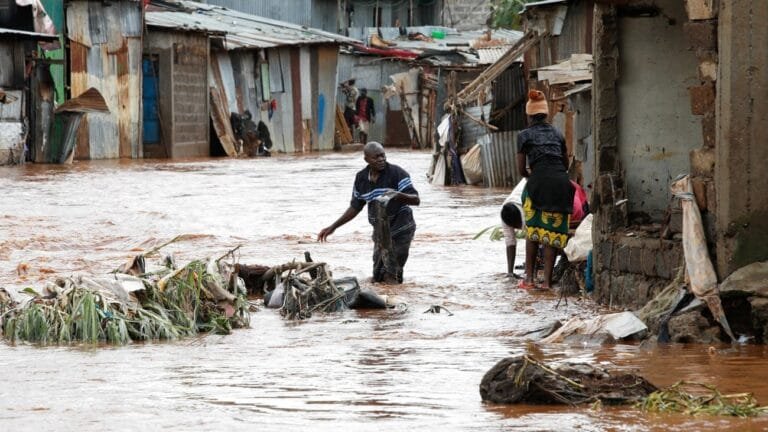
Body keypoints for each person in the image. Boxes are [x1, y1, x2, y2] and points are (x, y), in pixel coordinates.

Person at [318, 141, 420, 283]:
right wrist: (333, 227)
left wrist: (397, 194)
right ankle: (382, 299)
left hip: (401, 228)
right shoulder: (361, 178)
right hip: (380, 232)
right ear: (366, 159)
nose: (381, 159)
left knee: (391, 273)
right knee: (377, 277)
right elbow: (355, 207)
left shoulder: (397, 173)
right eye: (376, 157)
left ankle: (393, 302)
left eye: (383, 156)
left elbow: (416, 199)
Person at [516, 90, 575, 290]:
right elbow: (566, 165)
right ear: (545, 113)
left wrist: (535, 176)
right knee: (552, 235)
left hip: (537, 184)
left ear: (529, 114)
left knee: (533, 233)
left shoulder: (524, 135)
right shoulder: (557, 134)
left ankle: (530, 280)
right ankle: (547, 283)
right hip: (561, 185)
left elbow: (521, 169)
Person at [500, 177, 527, 278]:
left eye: (517, 225)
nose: (519, 228)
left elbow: (532, 238)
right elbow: (510, 241)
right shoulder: (504, 215)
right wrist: (510, 272)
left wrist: (528, 273)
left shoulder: (526, 211)